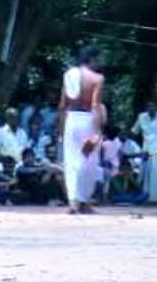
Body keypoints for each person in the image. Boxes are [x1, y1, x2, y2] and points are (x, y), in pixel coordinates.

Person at [57, 44, 105, 214]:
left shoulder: (69, 75)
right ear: (91, 59)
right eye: (98, 59)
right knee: (89, 162)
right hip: (88, 120)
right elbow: (95, 105)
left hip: (71, 119)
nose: (99, 63)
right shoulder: (97, 78)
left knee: (71, 161)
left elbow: (62, 105)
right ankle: (84, 201)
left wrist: (61, 129)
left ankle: (73, 202)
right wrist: (98, 131)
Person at [131, 100, 157, 204]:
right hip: (146, 150)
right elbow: (134, 132)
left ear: (156, 108)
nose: (151, 109)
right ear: (146, 109)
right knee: (146, 174)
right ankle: (147, 197)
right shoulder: (141, 117)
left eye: (153, 107)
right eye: (149, 107)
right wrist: (138, 150)